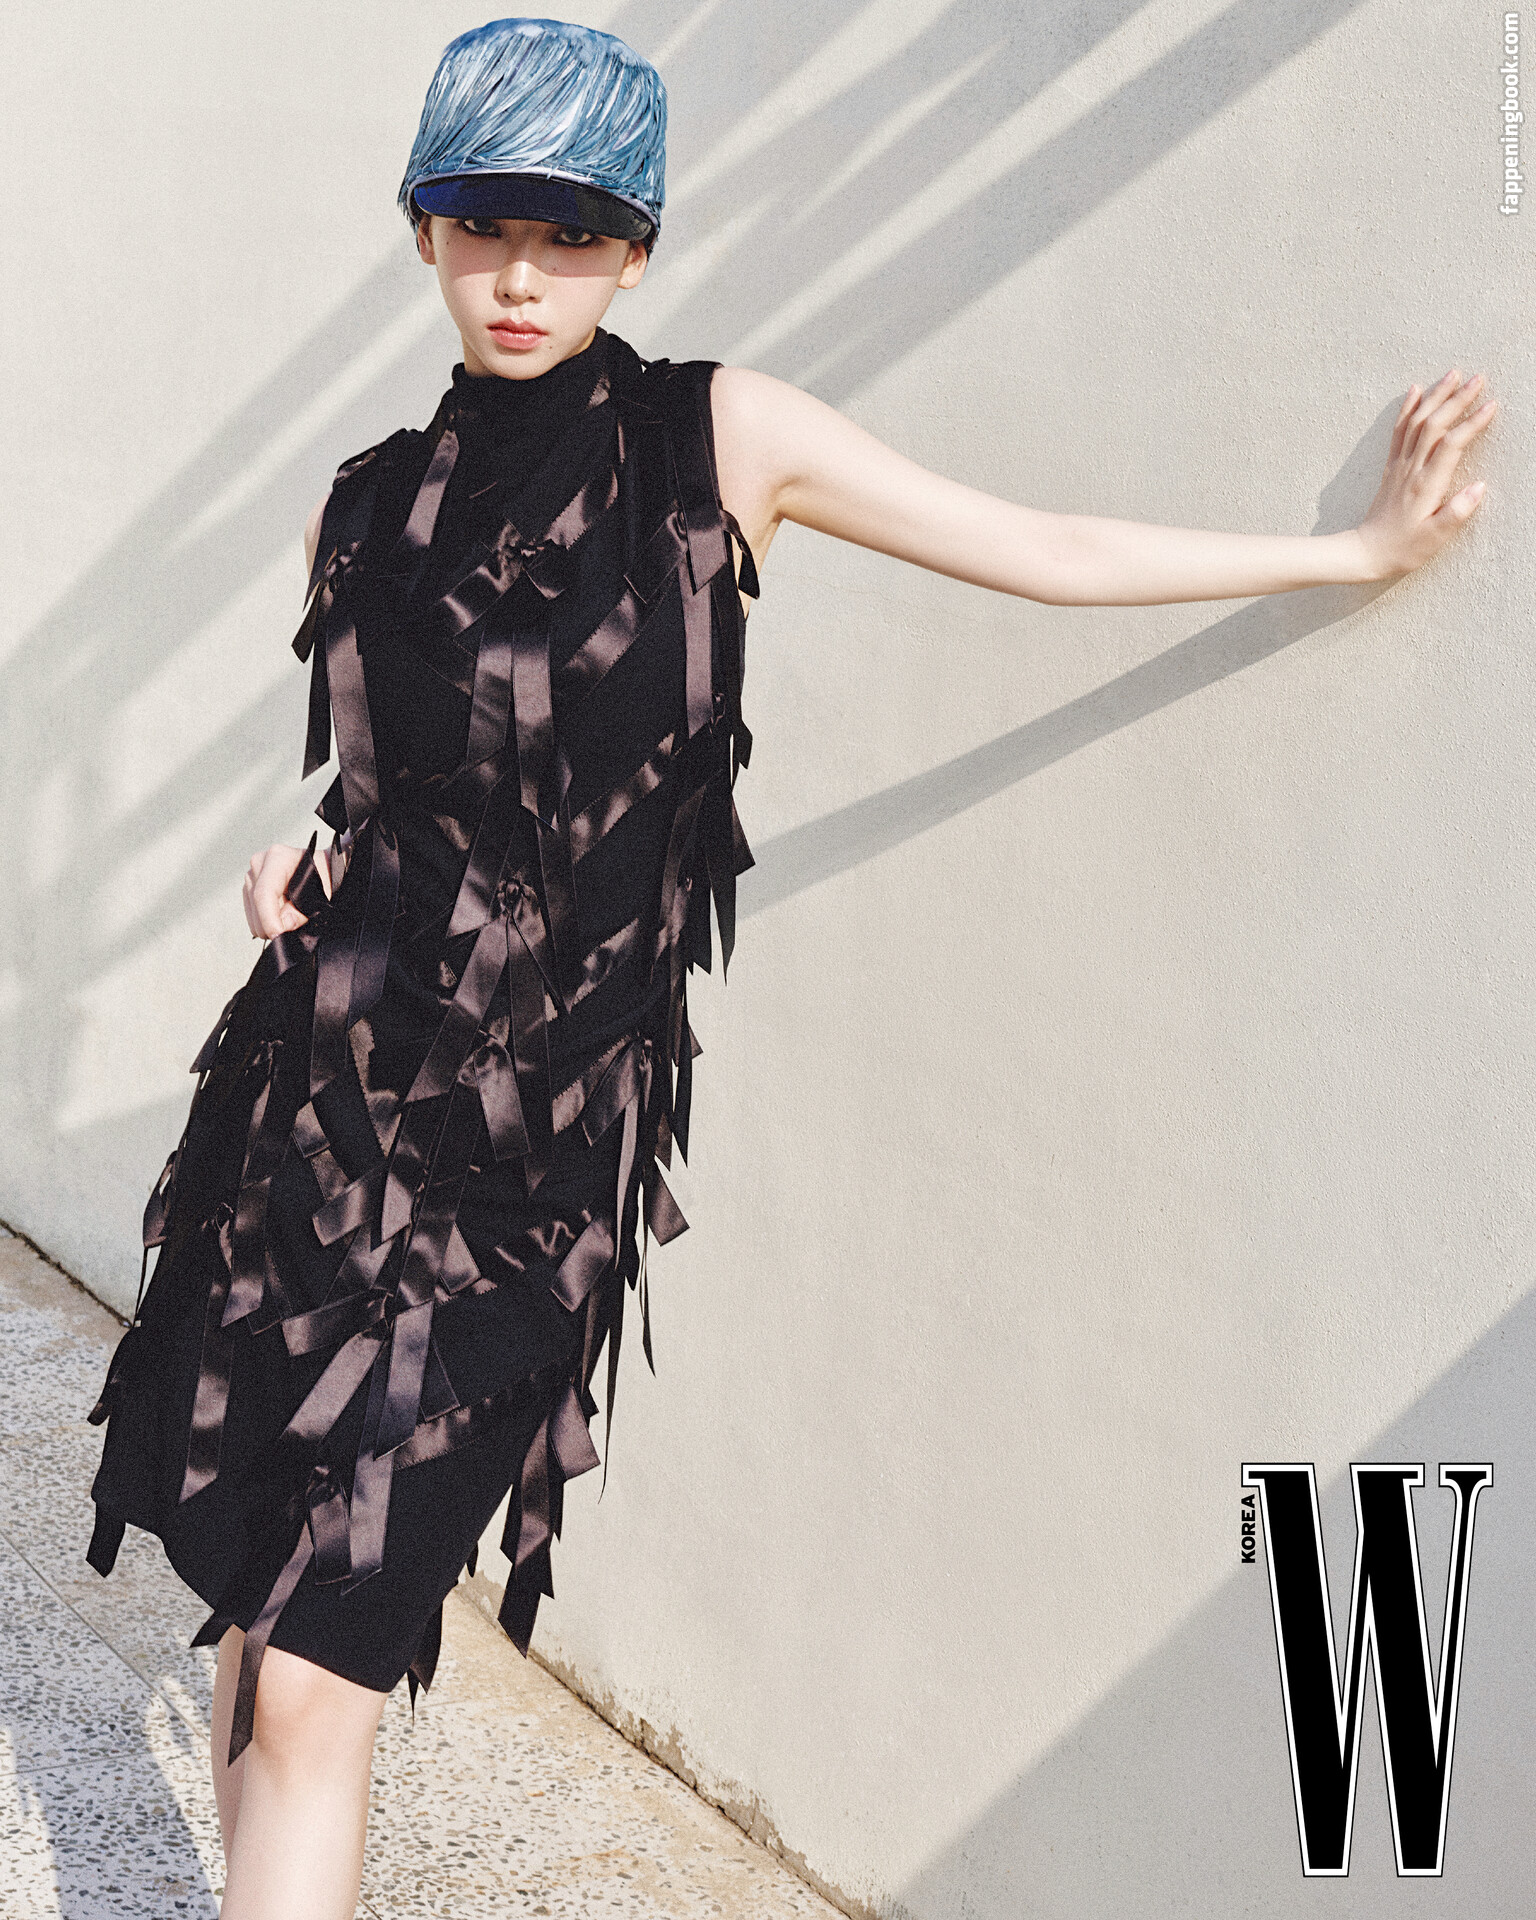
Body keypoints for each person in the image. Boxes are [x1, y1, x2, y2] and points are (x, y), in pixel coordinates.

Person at [84, 17, 1496, 1919]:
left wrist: (1352, 553)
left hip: (521, 1186)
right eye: (485, 226)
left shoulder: (714, 439)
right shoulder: (361, 500)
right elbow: (407, 797)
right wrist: (304, 867)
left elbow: (1036, 543)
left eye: (574, 235)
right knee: (265, 1646)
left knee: (327, 1667)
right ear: (422, 230)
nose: (523, 276)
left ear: (637, 250)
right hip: (313, 1127)